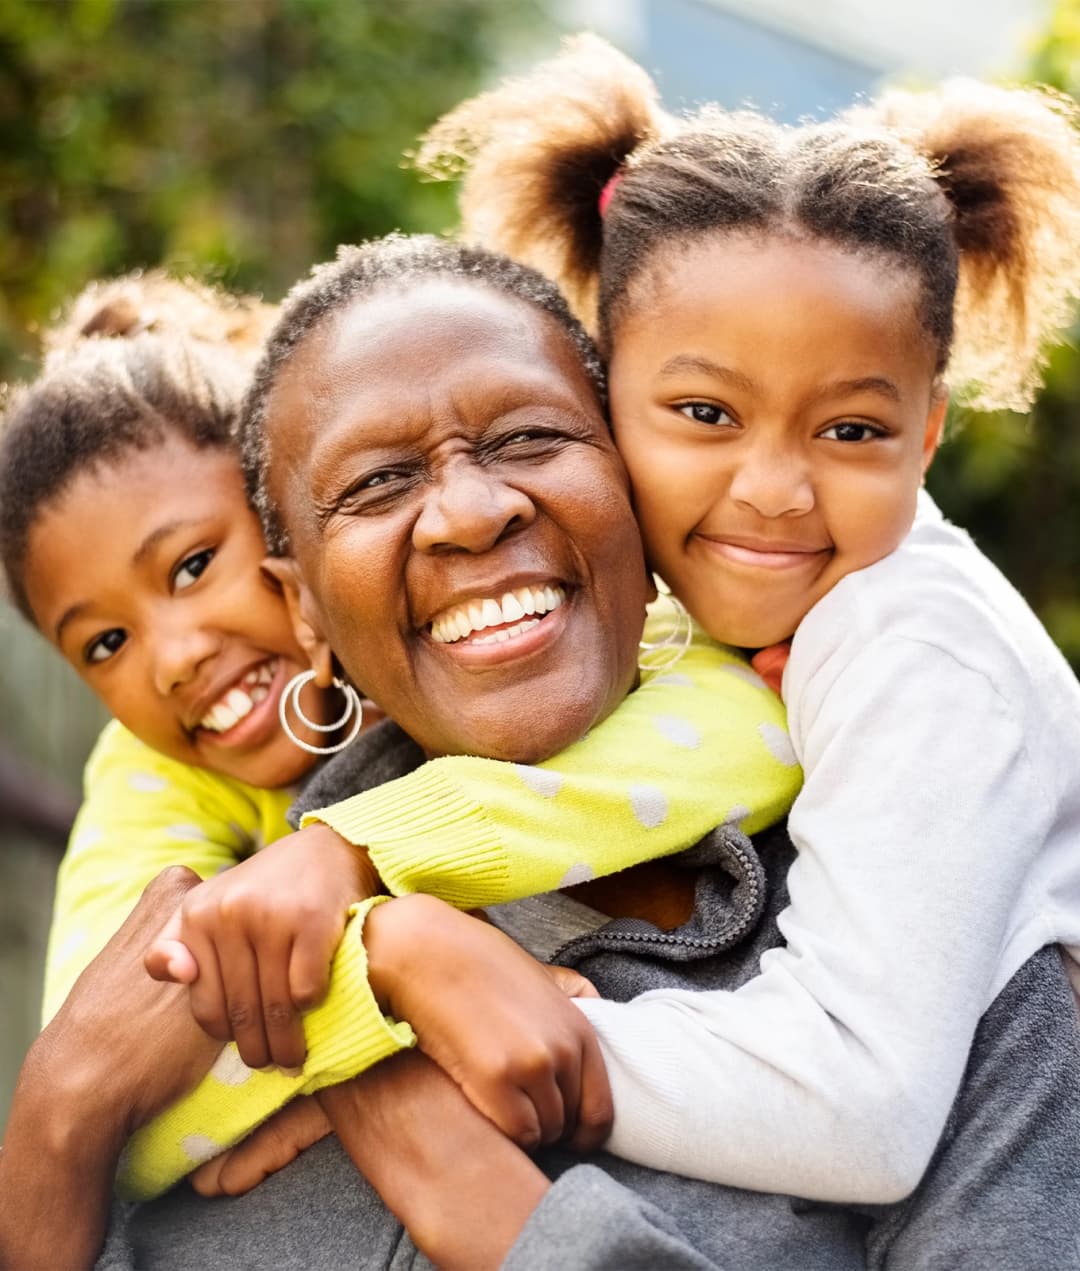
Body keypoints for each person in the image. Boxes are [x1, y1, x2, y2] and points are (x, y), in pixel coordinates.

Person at [116, 234, 1080, 1270]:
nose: (474, 511)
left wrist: (507, 1223)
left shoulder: (919, 934)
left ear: (634, 483)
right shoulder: (228, 996)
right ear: (302, 606)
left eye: (530, 438)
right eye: (378, 482)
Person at [0, 270, 797, 1197]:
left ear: (284, 516)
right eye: (104, 642)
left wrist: (363, 855)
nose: (171, 655)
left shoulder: (604, 637)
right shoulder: (151, 775)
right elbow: (103, 1053)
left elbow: (751, 730)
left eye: (192, 565)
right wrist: (383, 977)